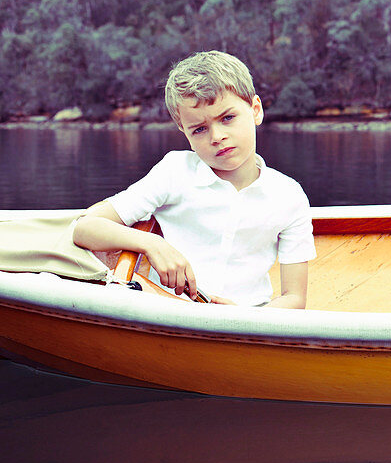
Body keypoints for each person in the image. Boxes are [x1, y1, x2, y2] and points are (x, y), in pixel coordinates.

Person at [73, 51, 314, 308]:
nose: (217, 136)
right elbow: (84, 227)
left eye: (227, 118)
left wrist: (244, 317)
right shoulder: (175, 172)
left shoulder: (289, 195)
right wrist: (151, 244)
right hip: (170, 313)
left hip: (250, 323)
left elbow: (294, 298)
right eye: (199, 129)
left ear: (255, 110)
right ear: (184, 132)